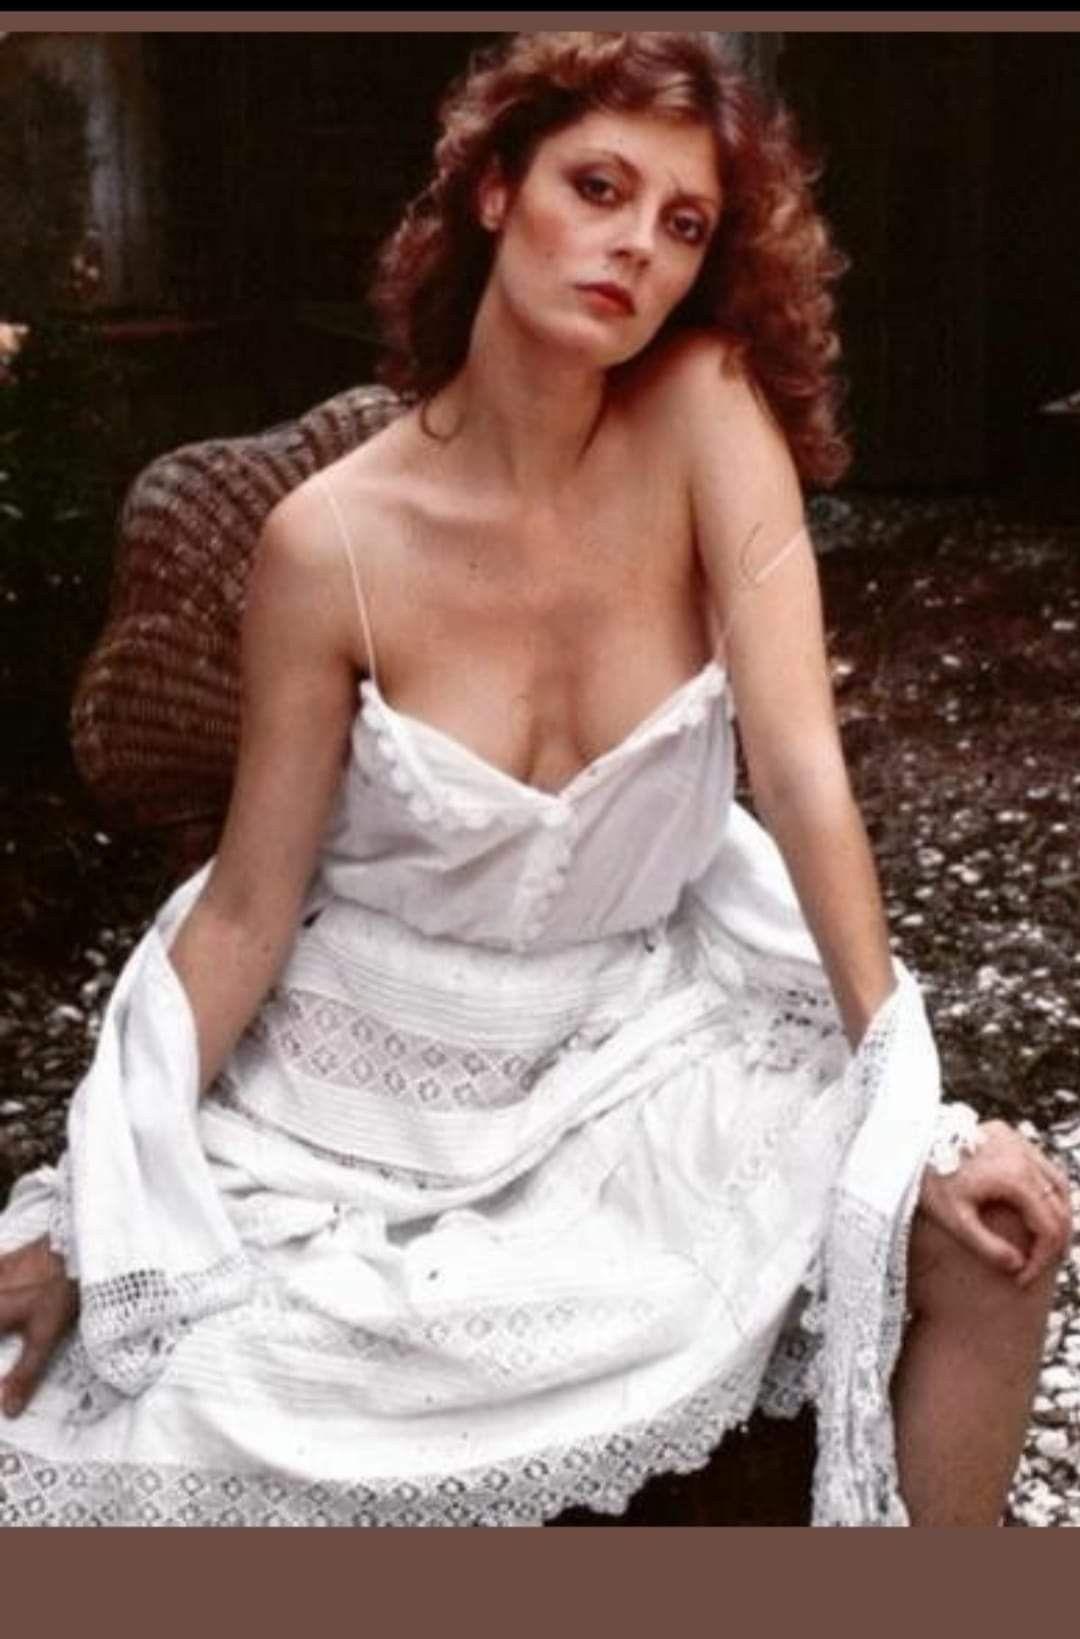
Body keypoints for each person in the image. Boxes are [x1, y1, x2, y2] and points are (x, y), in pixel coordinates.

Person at [0, 30, 1071, 1529]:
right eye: (598, 188)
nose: (636, 246)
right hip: (370, 1081)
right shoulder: (329, 542)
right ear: (497, 190)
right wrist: (82, 1206)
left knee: (997, 1240)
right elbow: (245, 912)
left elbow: (803, 775)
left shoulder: (705, 412)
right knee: (148, 1421)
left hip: (642, 1039)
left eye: (683, 224)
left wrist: (916, 1117)